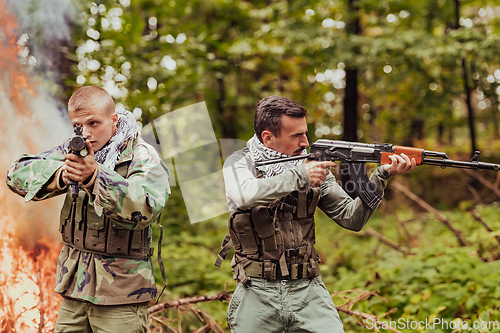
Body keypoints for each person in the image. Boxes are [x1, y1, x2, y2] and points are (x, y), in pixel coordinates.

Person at [216, 95, 415, 333]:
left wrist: (381, 175)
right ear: (268, 137)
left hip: (308, 290)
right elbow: (246, 194)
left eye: (305, 133)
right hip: (256, 292)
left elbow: (350, 217)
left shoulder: (314, 168)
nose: (305, 142)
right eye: (296, 135)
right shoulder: (239, 163)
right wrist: (301, 176)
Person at [6, 86, 170, 332]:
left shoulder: (141, 155)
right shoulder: (74, 151)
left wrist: (95, 176)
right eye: (78, 126)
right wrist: (61, 175)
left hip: (121, 294)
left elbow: (147, 206)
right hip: (75, 288)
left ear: (113, 119)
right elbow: (15, 173)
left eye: (94, 123)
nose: (87, 133)